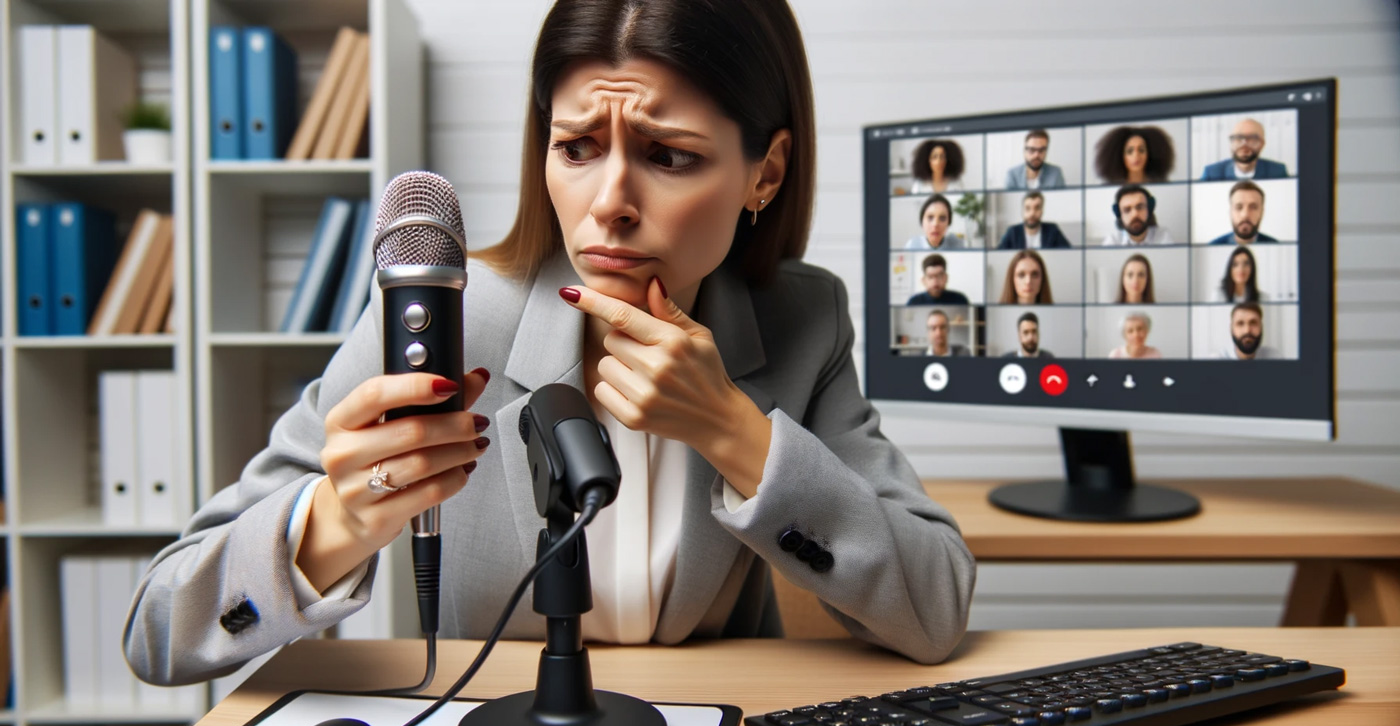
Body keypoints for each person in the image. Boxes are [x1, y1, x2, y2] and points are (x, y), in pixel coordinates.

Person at [123, 0, 976, 686]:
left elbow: (934, 610)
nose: (609, 201)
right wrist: (336, 521)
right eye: (574, 147)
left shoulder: (804, 319)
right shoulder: (450, 319)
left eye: (668, 156)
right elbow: (161, 629)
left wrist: (733, 430)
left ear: (767, 171)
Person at [1200, 118, 1288, 181]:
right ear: (1231, 143)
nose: (1244, 144)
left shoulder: (1278, 171)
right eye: (1238, 138)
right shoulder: (1211, 173)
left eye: (1252, 139)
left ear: (1262, 144)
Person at [1093, 124, 1176, 184]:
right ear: (1120, 156)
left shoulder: (1162, 186)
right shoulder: (1109, 188)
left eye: (1141, 150)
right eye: (1129, 151)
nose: (1136, 156)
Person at [1101, 184, 1174, 246]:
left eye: (1140, 207)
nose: (1134, 214)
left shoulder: (1163, 236)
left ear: (1148, 210)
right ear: (1120, 216)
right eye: (1127, 210)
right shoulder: (1113, 241)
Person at [1209, 180, 1278, 245]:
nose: (1245, 215)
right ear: (1230, 212)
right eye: (1238, 207)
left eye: (1253, 207)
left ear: (1262, 212)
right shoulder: (1213, 245)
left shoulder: (1275, 244)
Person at [997, 191, 1072, 249]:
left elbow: (1068, 252)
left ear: (1042, 211)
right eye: (1027, 208)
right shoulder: (1012, 232)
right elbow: (998, 254)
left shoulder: (1052, 230)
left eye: (1037, 208)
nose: (1032, 213)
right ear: (1022, 211)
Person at [1216, 302, 1281, 359]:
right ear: (1231, 329)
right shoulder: (1215, 361)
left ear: (1261, 327)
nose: (1247, 330)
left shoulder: (1275, 358)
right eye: (1240, 323)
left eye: (1253, 323)